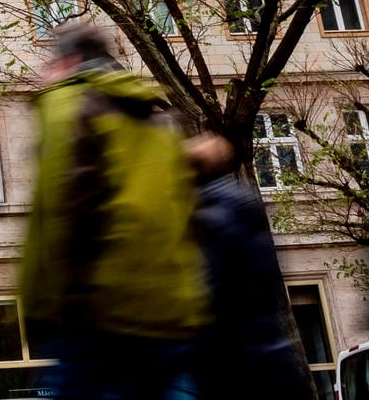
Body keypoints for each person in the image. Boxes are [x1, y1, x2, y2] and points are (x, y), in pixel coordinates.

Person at [19, 21, 209, 400]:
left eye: (50, 63)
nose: (44, 73)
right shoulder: (157, 114)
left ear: (70, 61)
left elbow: (62, 210)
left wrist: (46, 306)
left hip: (100, 310)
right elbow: (187, 211)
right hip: (169, 309)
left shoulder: (70, 104)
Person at [184, 134, 315, 400]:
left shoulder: (209, 214)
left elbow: (212, 289)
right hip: (269, 344)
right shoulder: (245, 201)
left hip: (233, 354)